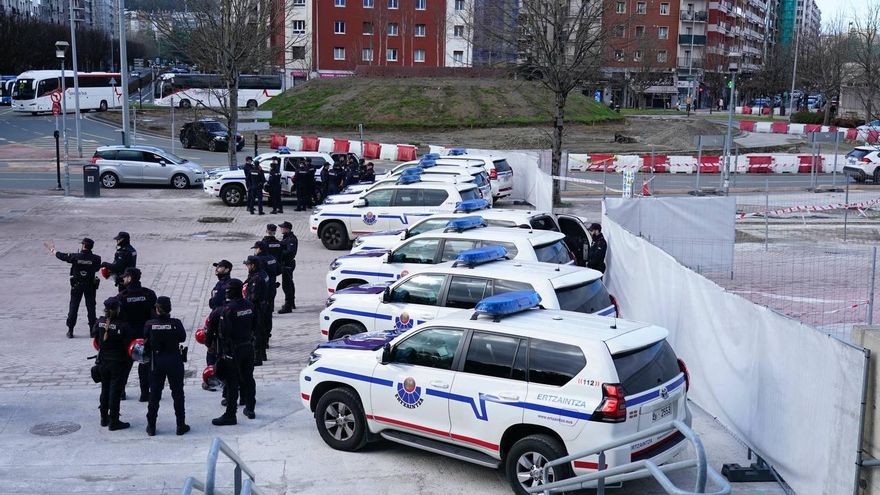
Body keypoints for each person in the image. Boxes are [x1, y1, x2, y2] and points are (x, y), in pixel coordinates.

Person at [212, 278, 257, 426]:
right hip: (248, 347)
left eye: (228, 290)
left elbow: (225, 332)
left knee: (232, 382)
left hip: (234, 350)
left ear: (234, 291)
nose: (226, 292)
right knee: (248, 378)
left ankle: (230, 414)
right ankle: (250, 408)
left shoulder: (228, 309)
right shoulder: (250, 305)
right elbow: (257, 325)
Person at [143, 296, 189, 436]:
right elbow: (182, 338)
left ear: (157, 309)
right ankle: (180, 425)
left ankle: (151, 426)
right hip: (174, 361)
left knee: (155, 395)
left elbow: (145, 338)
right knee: (178, 394)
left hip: (156, 362)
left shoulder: (149, 324)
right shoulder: (176, 323)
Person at [93, 297, 134, 430]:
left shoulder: (100, 322)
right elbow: (128, 345)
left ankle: (103, 418)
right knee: (114, 392)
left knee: (105, 389)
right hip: (118, 364)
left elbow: (95, 337)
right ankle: (114, 420)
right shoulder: (123, 326)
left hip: (103, 363)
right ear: (117, 309)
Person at [48, 238, 101, 338]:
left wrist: (53, 250)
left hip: (77, 285)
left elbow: (63, 256)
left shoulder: (75, 256)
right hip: (90, 285)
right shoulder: (96, 258)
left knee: (73, 307)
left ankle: (70, 330)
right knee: (91, 307)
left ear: (84, 246)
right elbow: (97, 268)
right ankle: (92, 330)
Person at [118, 267, 157, 402]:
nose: (123, 279)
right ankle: (145, 393)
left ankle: (121, 391)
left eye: (125, 277)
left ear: (129, 278)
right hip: (145, 334)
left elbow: (119, 318)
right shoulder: (149, 294)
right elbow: (154, 315)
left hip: (127, 336)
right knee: (145, 364)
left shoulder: (122, 297)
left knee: (124, 365)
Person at [205, 259, 233, 391]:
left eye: (220, 267)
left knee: (213, 350)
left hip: (219, 322)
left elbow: (214, 302)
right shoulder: (222, 283)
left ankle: (213, 377)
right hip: (220, 320)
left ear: (227, 269)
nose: (217, 270)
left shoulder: (225, 285)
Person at [243, 255, 269, 366]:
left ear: (253, 265)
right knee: (261, 332)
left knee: (255, 334)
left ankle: (256, 358)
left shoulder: (256, 279)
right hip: (263, 306)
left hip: (256, 308)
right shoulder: (263, 274)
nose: (247, 267)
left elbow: (253, 297)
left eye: (248, 265)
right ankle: (262, 355)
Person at [278, 221, 298, 313]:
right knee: (289, 283)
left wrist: (279, 253)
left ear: (287, 229)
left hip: (288, 264)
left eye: (282, 227)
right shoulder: (286, 238)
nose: (281, 229)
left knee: (287, 285)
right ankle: (291, 302)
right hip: (286, 264)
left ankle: (288, 306)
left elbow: (290, 252)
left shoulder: (291, 239)